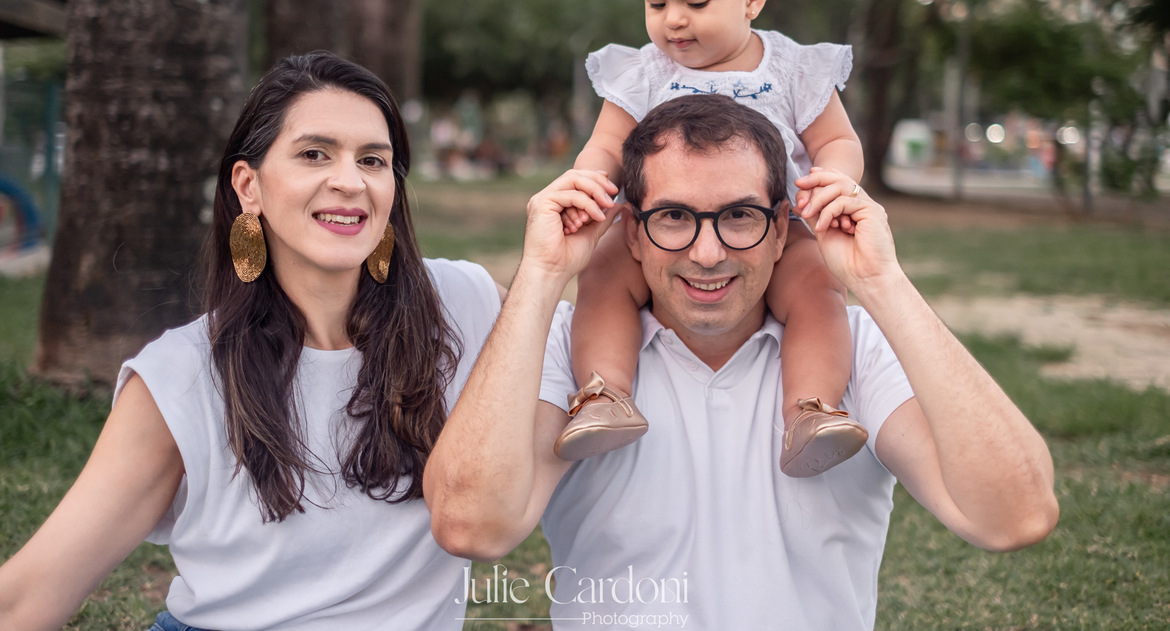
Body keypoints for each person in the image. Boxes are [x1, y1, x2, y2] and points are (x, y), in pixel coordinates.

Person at [425, 94, 1058, 630]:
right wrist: (542, 272)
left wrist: (882, 281)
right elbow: (472, 528)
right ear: (633, 232)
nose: (708, 253)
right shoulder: (565, 350)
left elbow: (1016, 516)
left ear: (782, 228)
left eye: (739, 216)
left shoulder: (858, 348)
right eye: (674, 217)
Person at [0, 53, 503, 631]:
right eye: (314, 154)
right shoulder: (182, 375)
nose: (350, 182)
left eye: (372, 160)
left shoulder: (462, 304)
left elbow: (576, 347)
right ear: (249, 186)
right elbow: (20, 601)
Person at [559, 0, 867, 477]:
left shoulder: (791, 68)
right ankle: (604, 393)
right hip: (661, 229)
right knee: (602, 272)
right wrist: (587, 182)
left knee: (818, 286)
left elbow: (838, 140)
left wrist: (835, 181)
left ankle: (810, 409)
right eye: (655, 2)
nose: (673, 19)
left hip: (773, 227)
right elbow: (605, 144)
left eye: (696, 1)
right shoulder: (646, 72)